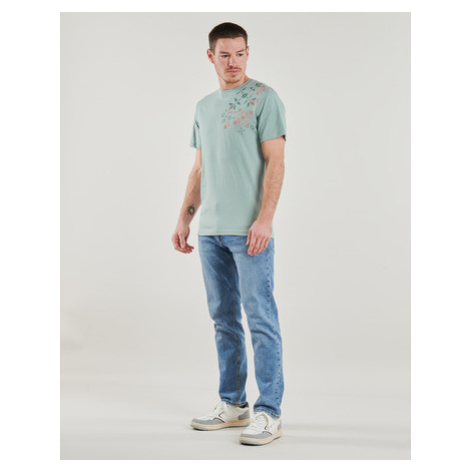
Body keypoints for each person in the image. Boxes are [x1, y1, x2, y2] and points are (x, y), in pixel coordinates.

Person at [171, 22, 287, 446]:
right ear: (211, 56)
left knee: (260, 318)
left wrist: (265, 219)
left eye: (240, 53)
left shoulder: (264, 98)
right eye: (225, 55)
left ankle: (269, 411)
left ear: (248, 53)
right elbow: (200, 169)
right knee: (223, 320)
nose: (233, 62)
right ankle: (234, 405)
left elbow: (276, 162)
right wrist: (185, 218)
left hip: (249, 231)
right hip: (211, 233)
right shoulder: (204, 107)